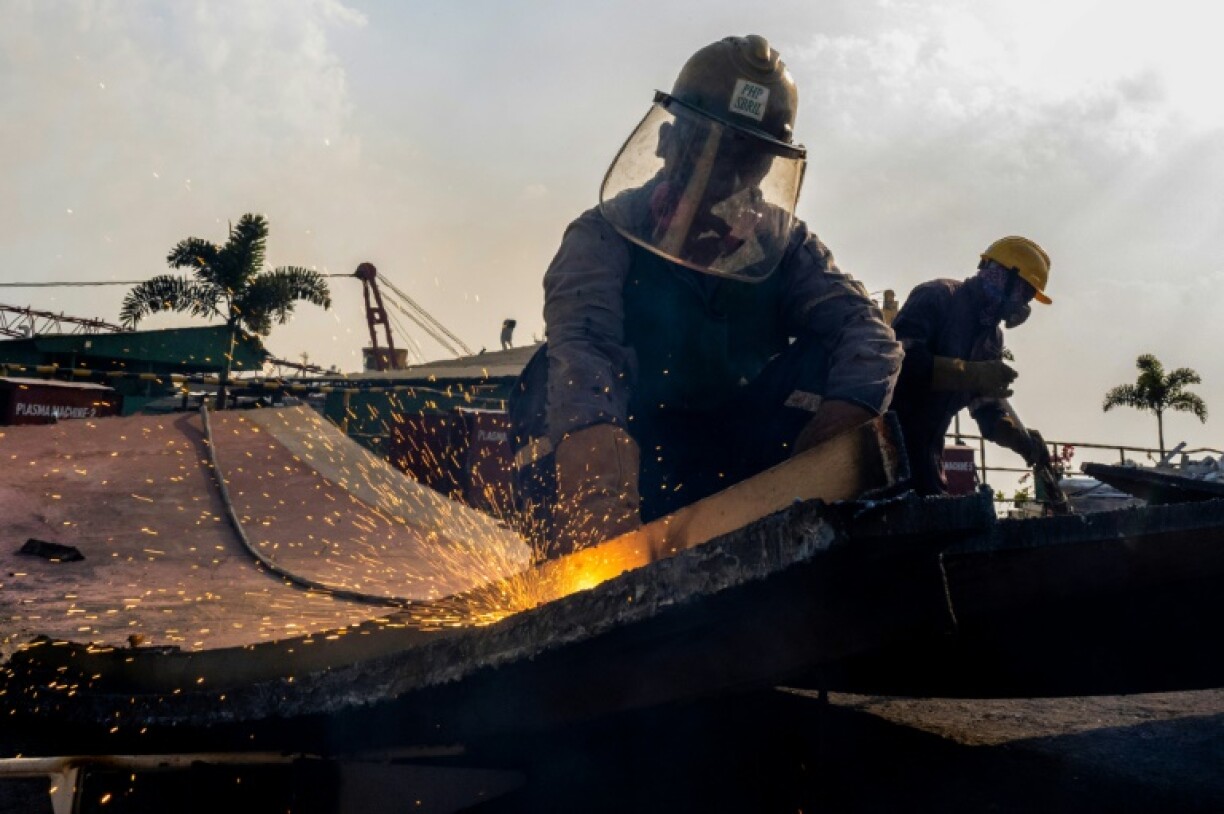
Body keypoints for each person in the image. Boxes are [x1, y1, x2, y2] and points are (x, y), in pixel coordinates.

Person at [509, 35, 902, 557]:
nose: (723, 176)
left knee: (826, 361)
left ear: (768, 166)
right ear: (668, 141)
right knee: (545, 382)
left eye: (745, 159)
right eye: (706, 148)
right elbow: (586, 345)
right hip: (634, 445)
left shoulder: (783, 244)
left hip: (730, 456)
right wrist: (598, 486)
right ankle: (566, 544)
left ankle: (797, 530)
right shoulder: (603, 233)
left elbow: (867, 334)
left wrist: (832, 436)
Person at [890, 236, 1053, 496]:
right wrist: (971, 374)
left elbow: (986, 407)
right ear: (1003, 276)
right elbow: (901, 364)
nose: (1023, 304)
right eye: (1025, 292)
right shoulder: (937, 297)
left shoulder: (992, 339)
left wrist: (1018, 438)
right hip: (885, 445)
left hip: (928, 459)